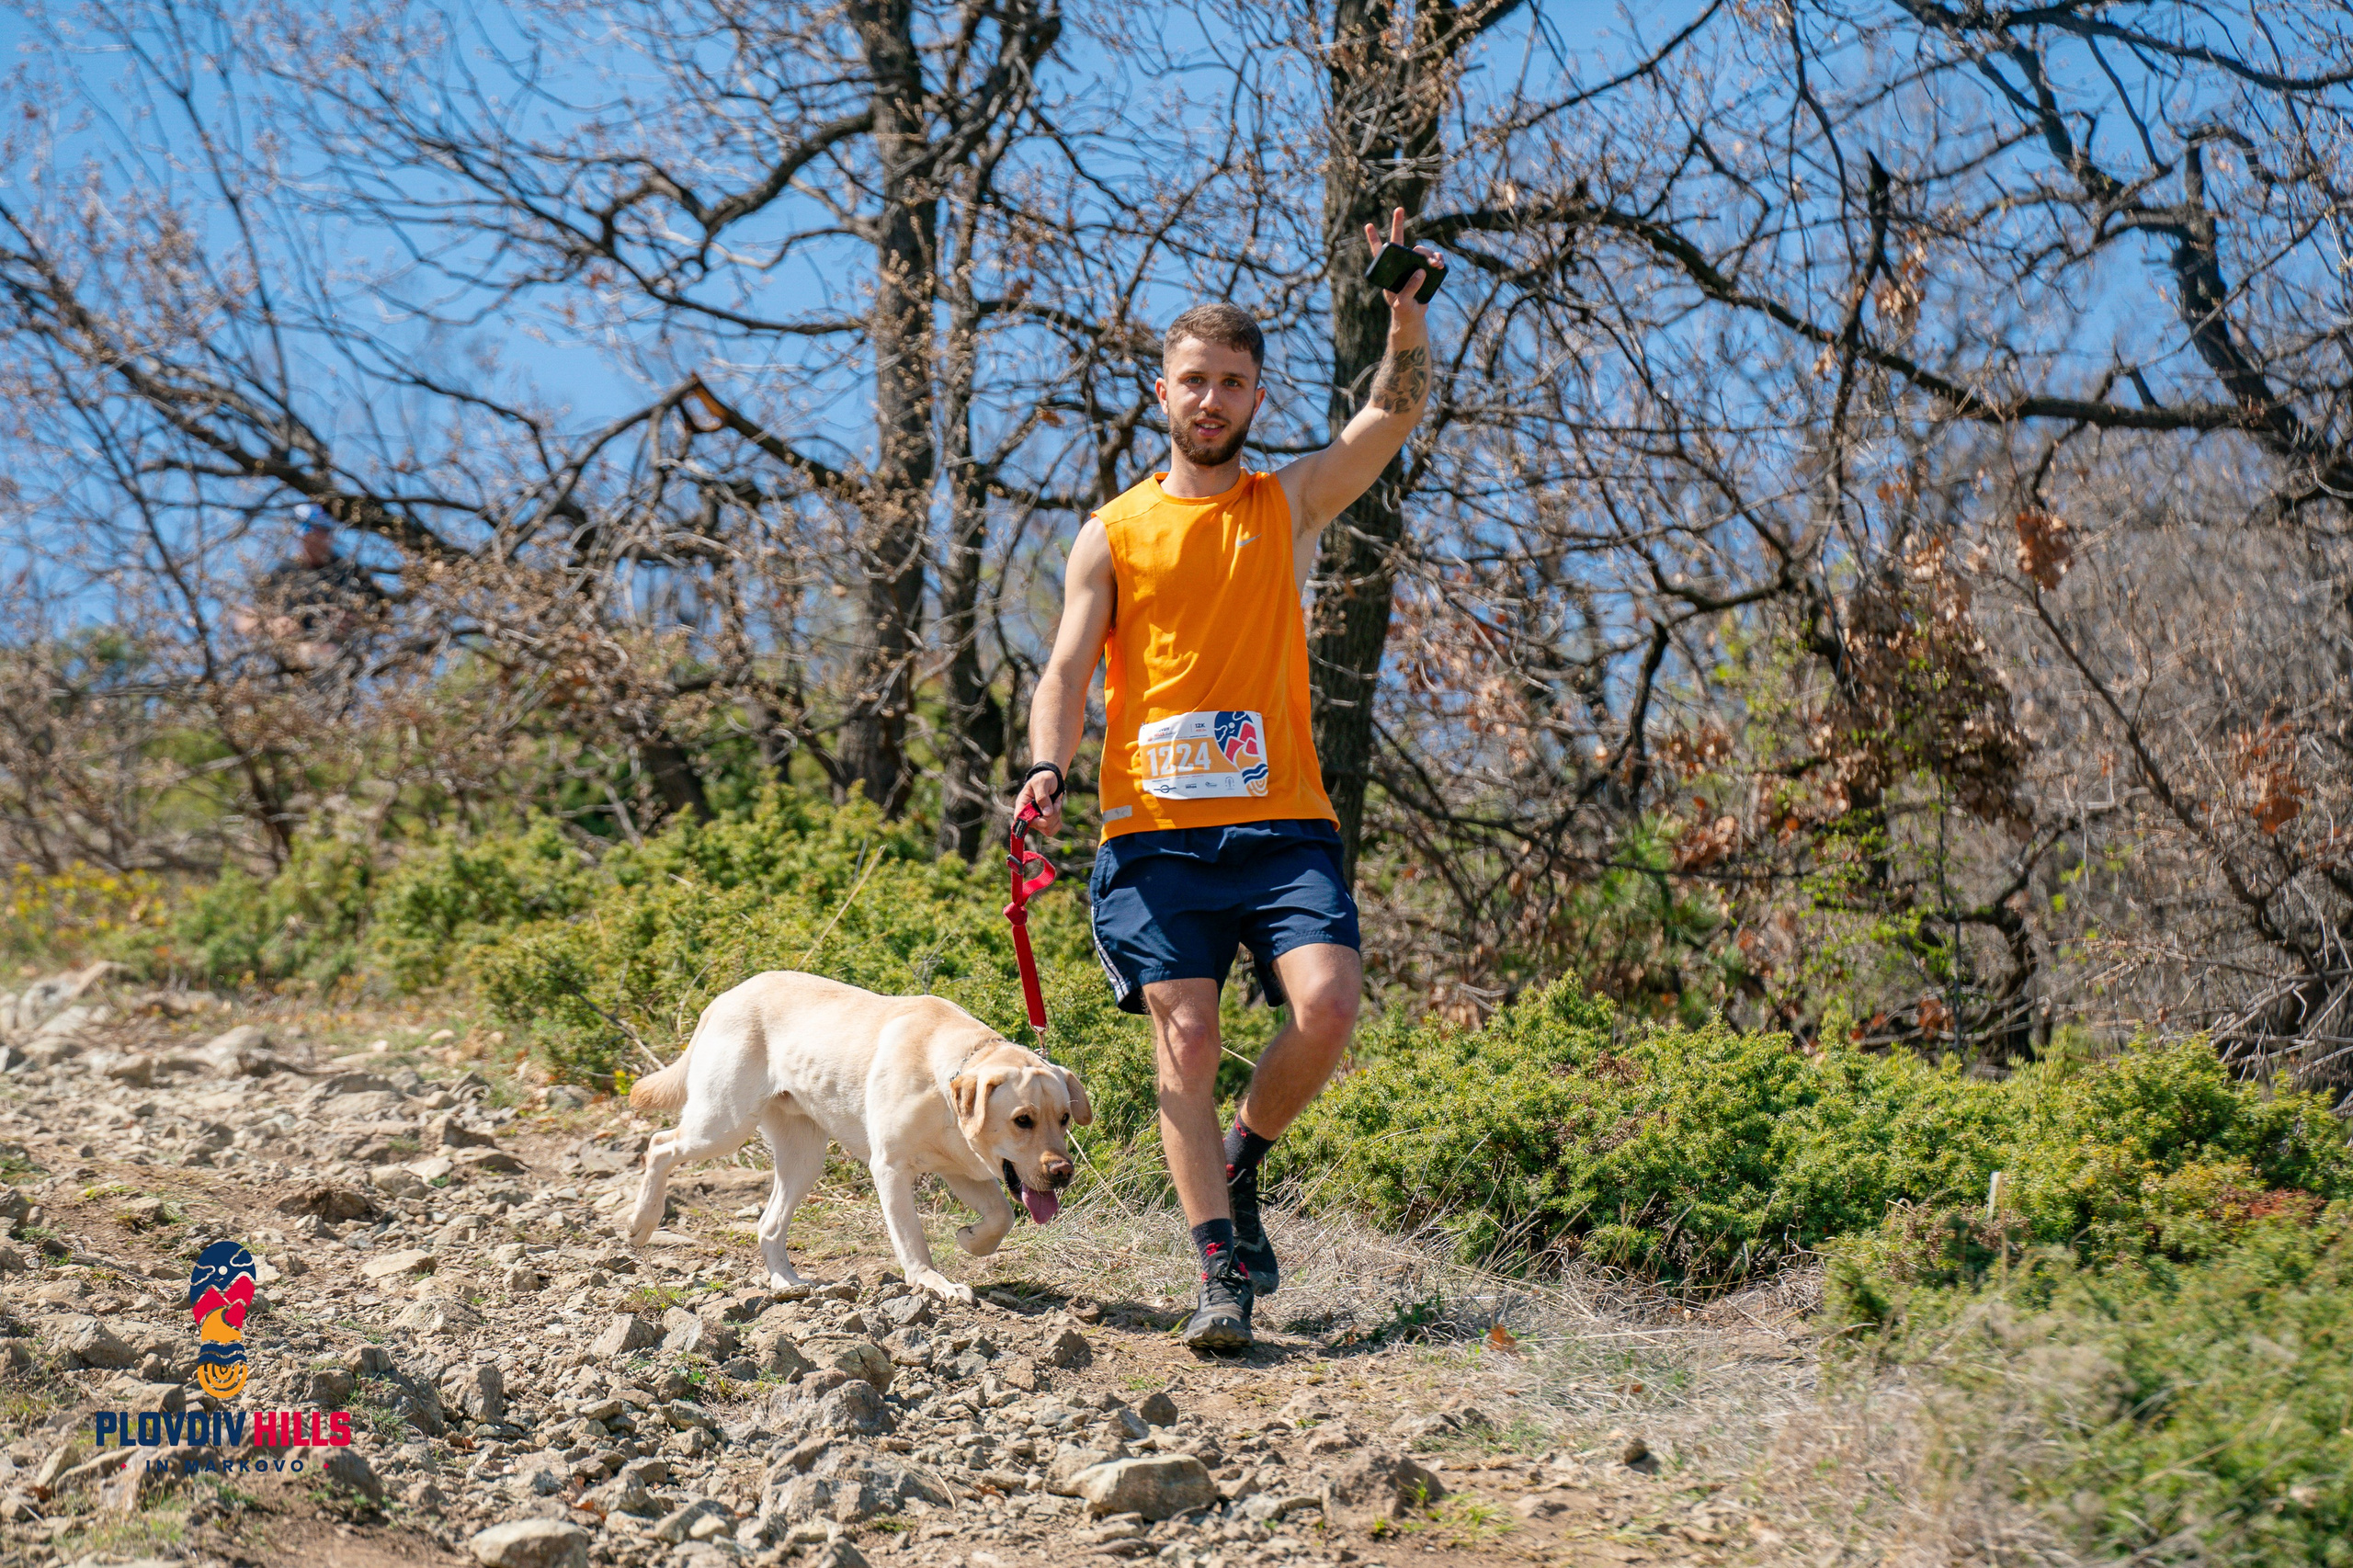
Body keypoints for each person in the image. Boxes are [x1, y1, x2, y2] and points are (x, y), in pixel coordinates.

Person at [1015, 209, 1442, 1351]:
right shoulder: (1112, 532)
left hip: (1282, 823)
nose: (1211, 400)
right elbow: (1064, 667)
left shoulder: (1286, 503)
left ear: (1256, 397)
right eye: (1193, 380)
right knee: (1188, 1037)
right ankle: (1218, 1276)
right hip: (1153, 836)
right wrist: (1047, 764)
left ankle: (1243, 1154)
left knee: (1329, 1005)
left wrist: (1404, 323)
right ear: (1163, 391)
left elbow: (1387, 418)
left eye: (1233, 383)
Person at [232, 506, 385, 669]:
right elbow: (244, 618)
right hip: (290, 661)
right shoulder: (282, 574)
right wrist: (274, 625)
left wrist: (357, 621)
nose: (320, 539)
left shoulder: (350, 573)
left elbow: (383, 614)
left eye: (324, 532)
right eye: (313, 532)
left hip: (339, 659)